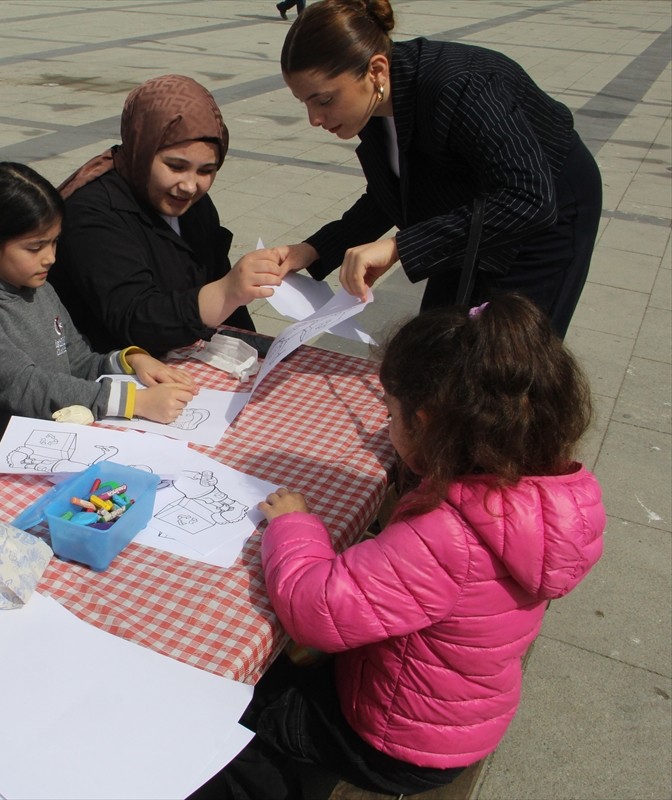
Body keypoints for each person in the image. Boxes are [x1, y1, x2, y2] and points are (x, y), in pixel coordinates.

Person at [191, 294, 605, 800]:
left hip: (397, 741)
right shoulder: (547, 494)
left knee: (234, 705)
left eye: (391, 414)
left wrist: (295, 525)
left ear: (426, 424)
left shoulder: (448, 536)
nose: (385, 428)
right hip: (456, 709)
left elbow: (315, 609)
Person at [268, 0, 602, 337]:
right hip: (469, 206)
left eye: (324, 100)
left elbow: (529, 198)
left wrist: (399, 247)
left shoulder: (460, 87)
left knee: (507, 358)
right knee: (439, 341)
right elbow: (391, 194)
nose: (314, 119)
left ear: (377, 71)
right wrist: (312, 251)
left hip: (547, 212)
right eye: (305, 102)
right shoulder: (371, 104)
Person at [0, 162, 199, 491]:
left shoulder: (40, 287)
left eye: (54, 242)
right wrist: (134, 402)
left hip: (50, 449)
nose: (50, 258)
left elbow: (75, 360)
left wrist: (129, 360)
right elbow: (24, 387)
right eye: (35, 247)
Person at [51, 74, 279, 356]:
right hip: (109, 372)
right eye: (175, 166)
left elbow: (227, 303)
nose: (189, 185)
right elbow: (134, 317)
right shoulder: (92, 212)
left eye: (206, 171)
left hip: (183, 361)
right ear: (143, 149)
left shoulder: (196, 206)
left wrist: (259, 353)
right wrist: (226, 291)